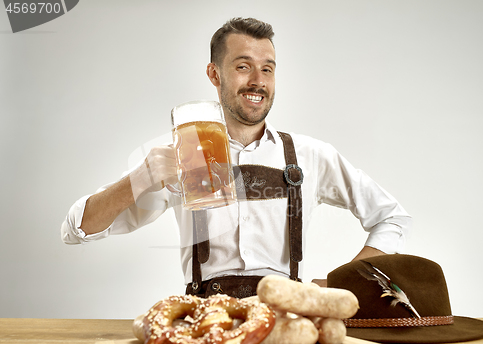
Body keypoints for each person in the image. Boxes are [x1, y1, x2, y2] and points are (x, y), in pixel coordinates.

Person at [61, 17, 412, 297]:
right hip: (204, 321)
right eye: (243, 67)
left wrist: (342, 283)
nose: (258, 81)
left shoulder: (310, 156)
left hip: (286, 317)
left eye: (268, 69)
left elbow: (392, 217)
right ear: (215, 74)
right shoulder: (182, 156)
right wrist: (139, 179)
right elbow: (76, 229)